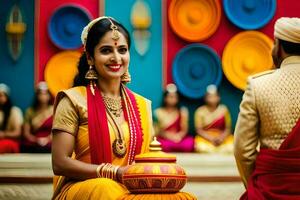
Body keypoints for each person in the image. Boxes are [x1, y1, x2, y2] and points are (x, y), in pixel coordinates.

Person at [51, 16, 154, 200]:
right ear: (90, 57)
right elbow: (60, 163)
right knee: (105, 188)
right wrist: (115, 172)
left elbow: (148, 158)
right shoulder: (73, 100)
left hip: (131, 187)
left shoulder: (142, 105)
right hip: (86, 187)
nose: (116, 58)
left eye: (122, 50)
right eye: (106, 50)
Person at [234, 17, 300, 199]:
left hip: (269, 189)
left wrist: (257, 184)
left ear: (278, 46)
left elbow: (242, 150)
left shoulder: (258, 86)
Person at [153, 83, 194, 152]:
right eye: (170, 97)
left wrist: (178, 136)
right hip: (165, 139)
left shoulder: (182, 111)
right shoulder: (158, 112)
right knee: (161, 145)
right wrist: (170, 137)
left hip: (178, 138)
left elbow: (184, 130)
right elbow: (158, 131)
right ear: (165, 98)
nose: (172, 99)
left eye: (174, 97)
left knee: (189, 144)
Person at [194, 84, 233, 153]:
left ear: (218, 97)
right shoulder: (200, 111)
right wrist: (211, 138)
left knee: (231, 147)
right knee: (201, 147)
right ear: (205, 98)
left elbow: (228, 129)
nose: (212, 98)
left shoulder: (224, 109)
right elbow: (199, 130)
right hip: (206, 139)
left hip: (222, 138)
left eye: (214, 96)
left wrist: (221, 138)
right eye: (210, 96)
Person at [21, 82, 53, 153]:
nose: (43, 96)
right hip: (33, 141)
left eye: (45, 93)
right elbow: (26, 134)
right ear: (37, 95)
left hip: (50, 141)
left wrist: (47, 139)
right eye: (41, 94)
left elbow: (56, 130)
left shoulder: (53, 110)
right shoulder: (30, 111)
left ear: (49, 95)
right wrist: (37, 140)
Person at [0, 83, 23, 153]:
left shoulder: (15, 111)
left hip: (10, 141)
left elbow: (18, 133)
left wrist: (3, 134)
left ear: (7, 97)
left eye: (1, 95)